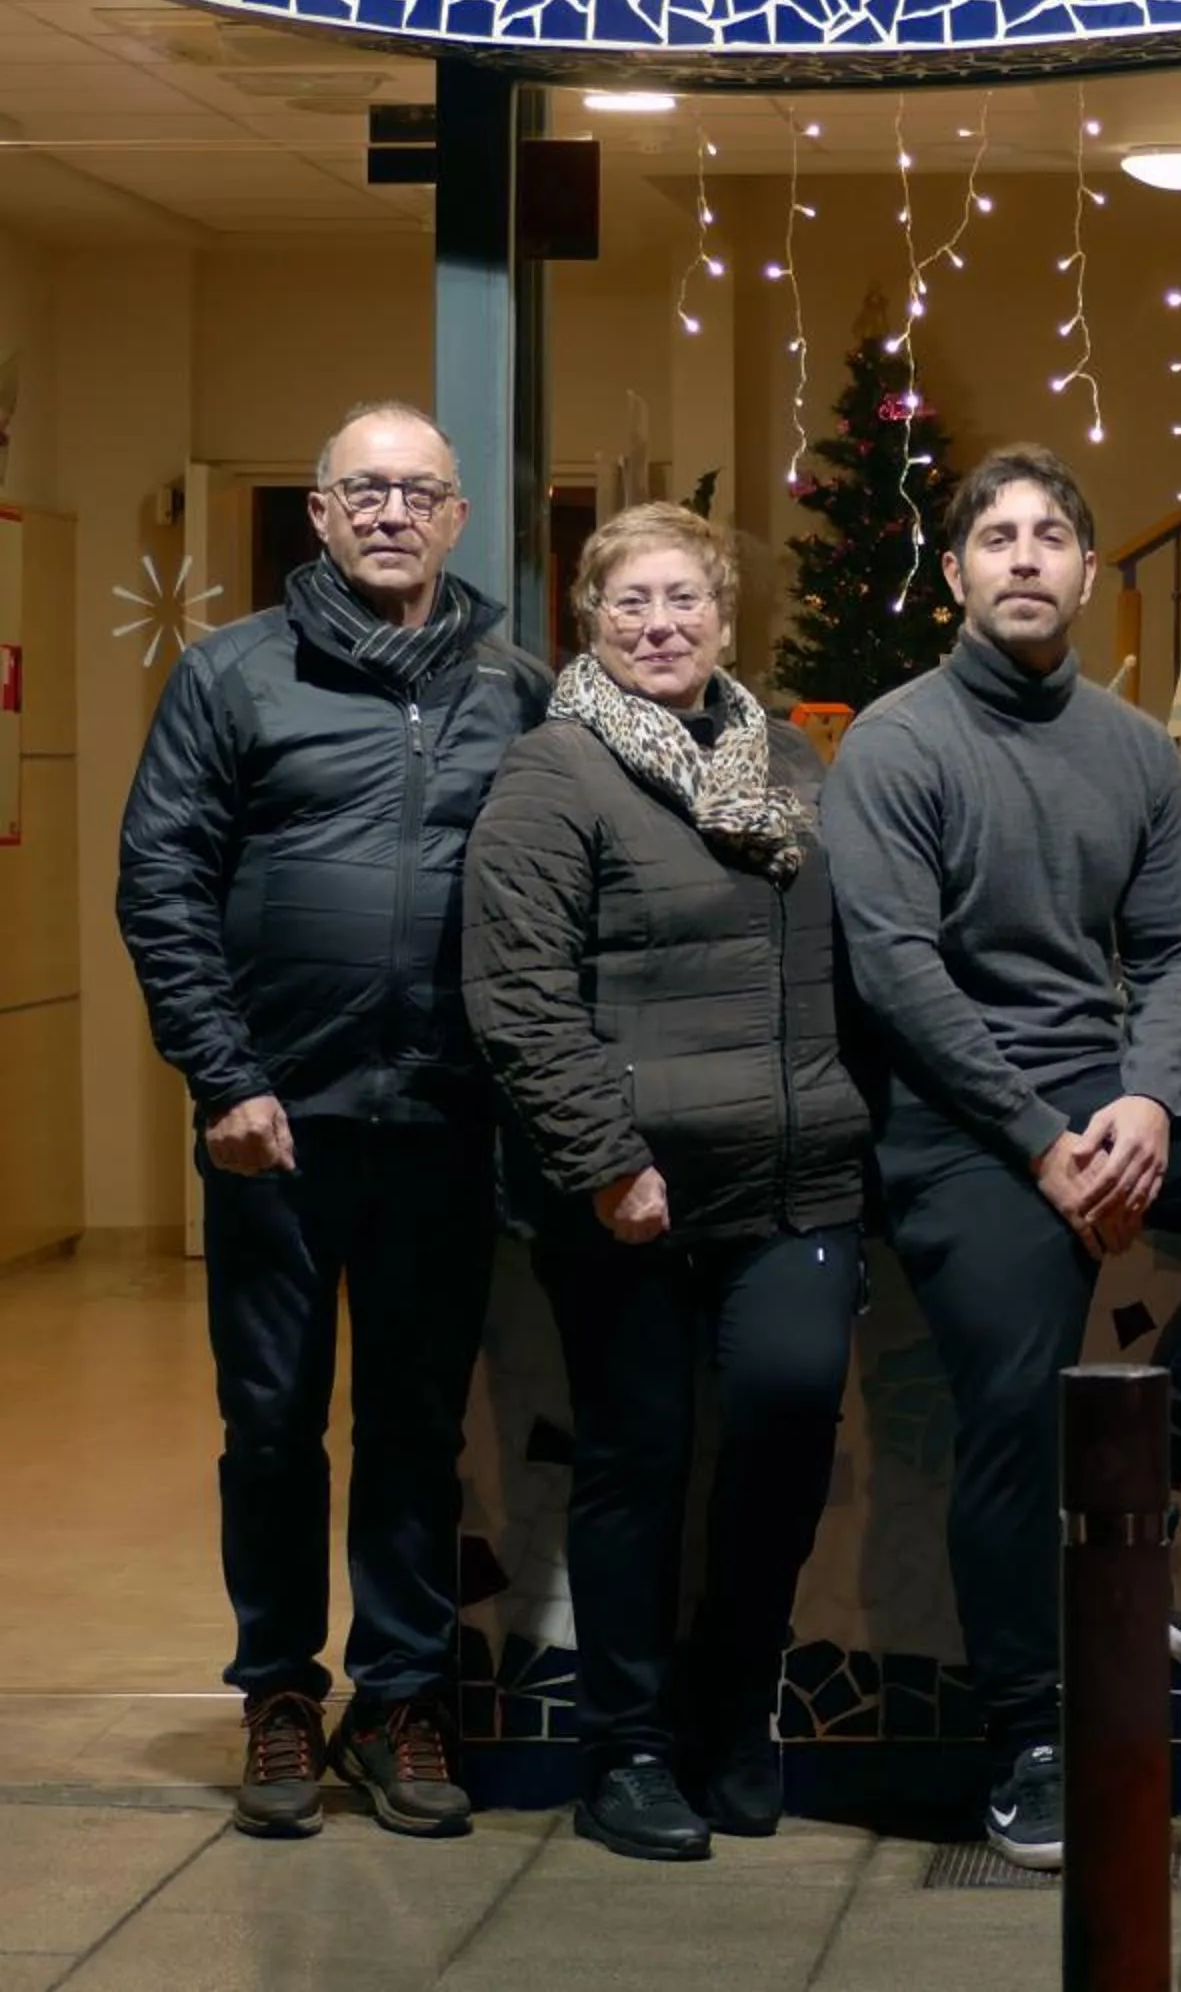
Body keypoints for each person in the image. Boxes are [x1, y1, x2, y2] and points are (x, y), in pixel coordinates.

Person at [819, 443, 1181, 1873]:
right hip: (956, 1127)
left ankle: (1147, 1462)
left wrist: (1145, 1100)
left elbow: (1174, 950)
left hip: (1097, 1092)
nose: (1024, 554)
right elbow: (893, 973)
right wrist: (1039, 1144)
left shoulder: (1130, 748)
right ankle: (1028, 1738)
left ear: (1082, 570)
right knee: (1009, 1409)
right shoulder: (895, 741)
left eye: (1050, 534)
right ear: (954, 575)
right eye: (995, 536)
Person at [116, 401, 550, 1841]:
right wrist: (222, 1077)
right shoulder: (232, 676)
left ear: (456, 517)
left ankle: (406, 1701)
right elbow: (163, 884)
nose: (386, 512)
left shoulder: (519, 692)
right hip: (276, 1126)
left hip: (443, 1120)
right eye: (359, 489)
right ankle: (280, 1700)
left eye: (414, 491)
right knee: (270, 1427)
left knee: (418, 1430)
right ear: (316, 511)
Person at [461, 503, 868, 1863]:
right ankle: (626, 1748)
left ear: (724, 613)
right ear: (590, 618)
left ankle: (734, 1707)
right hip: (624, 1198)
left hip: (796, 1184)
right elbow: (515, 995)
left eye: (684, 598)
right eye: (630, 601)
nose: (660, 624)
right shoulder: (553, 773)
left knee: (788, 1424)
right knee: (635, 1461)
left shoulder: (793, 765)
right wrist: (605, 1161)